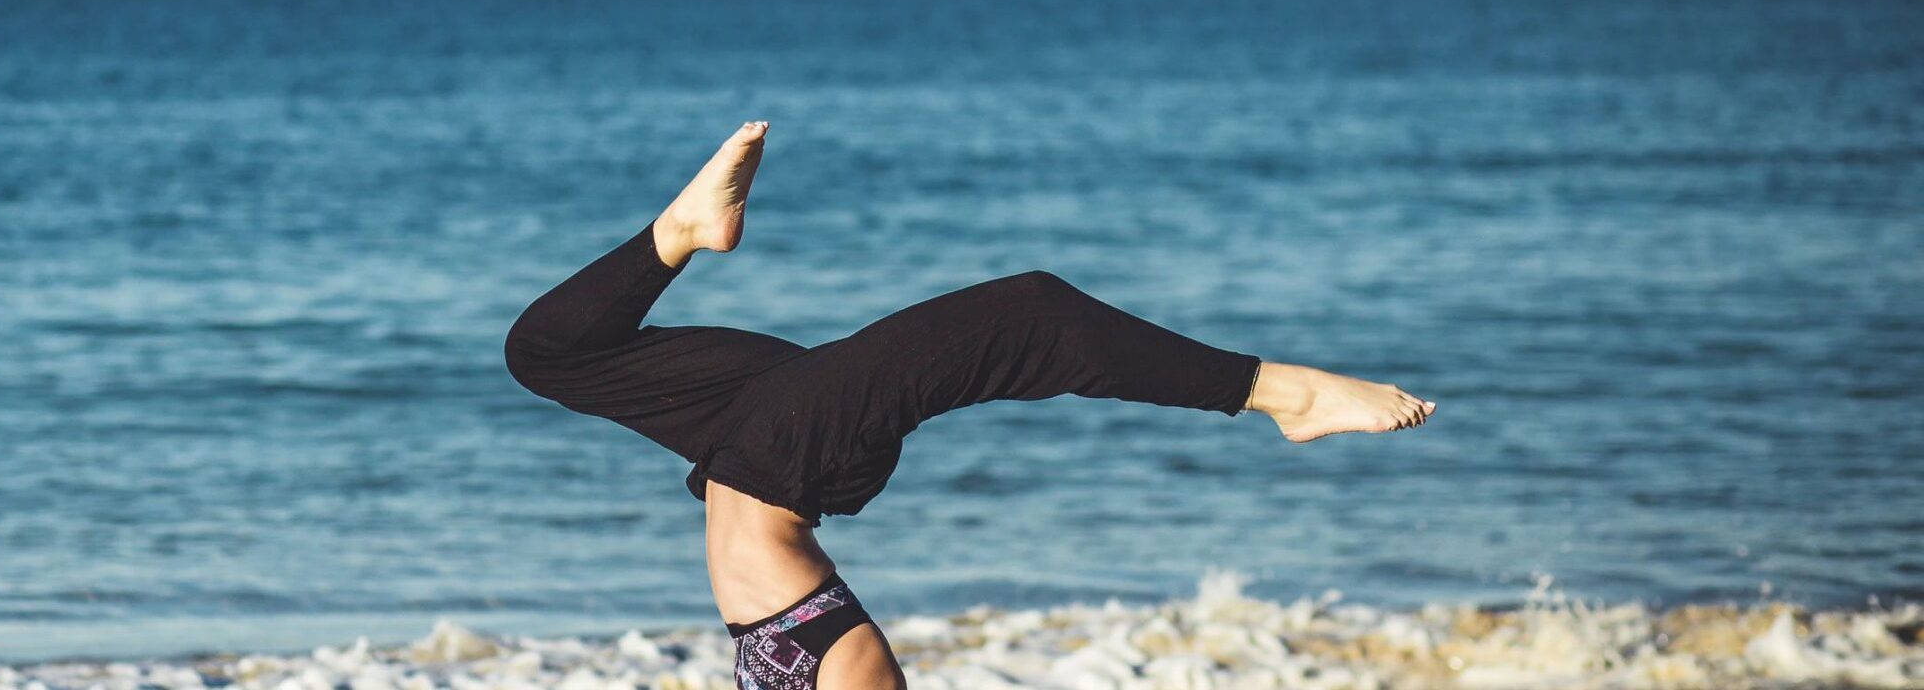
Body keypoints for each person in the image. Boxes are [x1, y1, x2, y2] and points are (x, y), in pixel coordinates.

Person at [504, 122, 1435, 690]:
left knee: (546, 352)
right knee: (1031, 309)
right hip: (793, 455)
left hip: (760, 445)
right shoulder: (854, 665)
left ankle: (681, 235)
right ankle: (1286, 396)